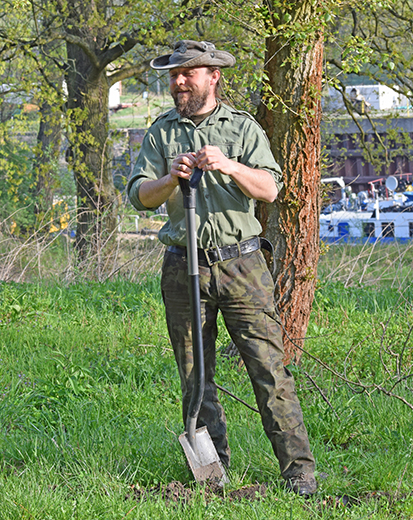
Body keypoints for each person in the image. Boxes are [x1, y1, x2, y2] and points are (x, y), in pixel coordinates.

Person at [126, 41, 317, 496]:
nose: (178, 82)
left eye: (187, 73)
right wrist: (171, 178)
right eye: (174, 75)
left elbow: (269, 189)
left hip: (242, 265)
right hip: (182, 267)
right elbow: (139, 195)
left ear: (212, 76)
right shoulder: (161, 133)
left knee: (269, 369)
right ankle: (214, 475)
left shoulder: (243, 128)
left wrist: (228, 166)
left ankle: (300, 472)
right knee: (195, 377)